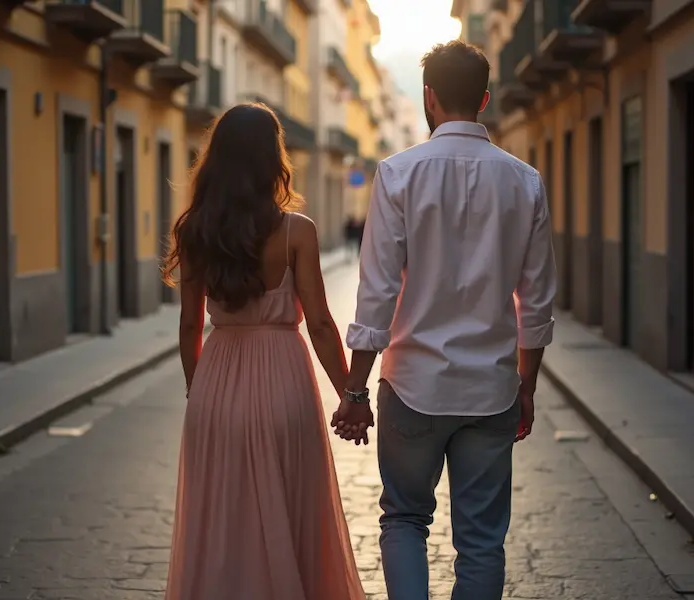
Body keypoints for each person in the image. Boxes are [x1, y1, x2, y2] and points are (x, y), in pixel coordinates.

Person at [333, 40, 557, 600]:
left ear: (428, 97)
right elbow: (537, 302)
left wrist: (355, 389)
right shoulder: (524, 181)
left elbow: (377, 293)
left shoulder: (397, 174)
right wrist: (525, 387)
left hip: (413, 385)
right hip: (491, 389)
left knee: (404, 519)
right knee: (483, 540)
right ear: (485, 97)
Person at [162, 103, 365, 600]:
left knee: (222, 523)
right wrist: (351, 394)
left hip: (217, 385)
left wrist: (200, 390)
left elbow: (190, 324)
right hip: (285, 386)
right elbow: (319, 323)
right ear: (273, 160)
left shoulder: (194, 232)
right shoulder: (298, 231)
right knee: (293, 513)